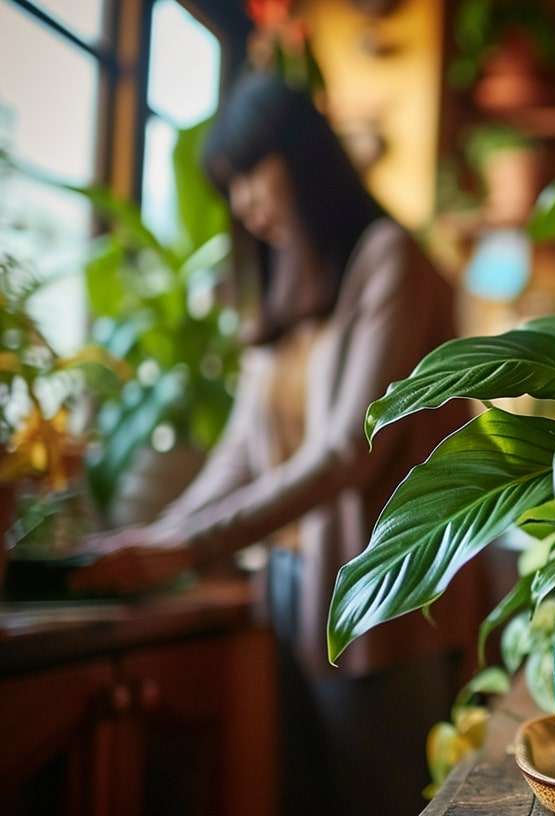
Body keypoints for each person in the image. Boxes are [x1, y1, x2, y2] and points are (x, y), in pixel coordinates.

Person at [72, 72, 472, 815]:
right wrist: (156, 536)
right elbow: (239, 453)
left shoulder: (388, 258)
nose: (245, 205)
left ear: (304, 157)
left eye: (253, 172)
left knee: (382, 800)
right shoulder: (285, 286)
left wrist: (187, 549)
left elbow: (348, 454)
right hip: (291, 592)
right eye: (231, 187)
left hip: (382, 604)